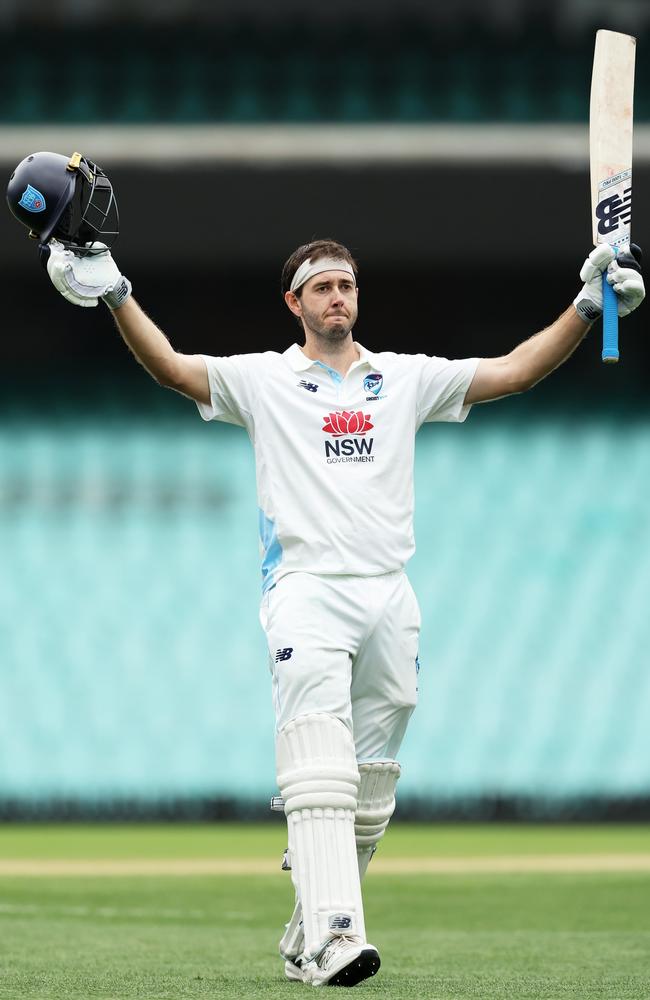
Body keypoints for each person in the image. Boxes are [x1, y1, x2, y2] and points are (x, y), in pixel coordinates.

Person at [43, 233, 644, 987]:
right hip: (306, 588)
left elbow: (515, 372)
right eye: (322, 287)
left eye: (347, 286)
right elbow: (169, 367)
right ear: (294, 303)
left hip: (389, 590)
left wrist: (588, 306)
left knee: (372, 783)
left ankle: (305, 927)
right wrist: (117, 292)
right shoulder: (264, 381)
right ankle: (334, 937)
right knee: (321, 766)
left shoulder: (403, 379)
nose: (338, 298)